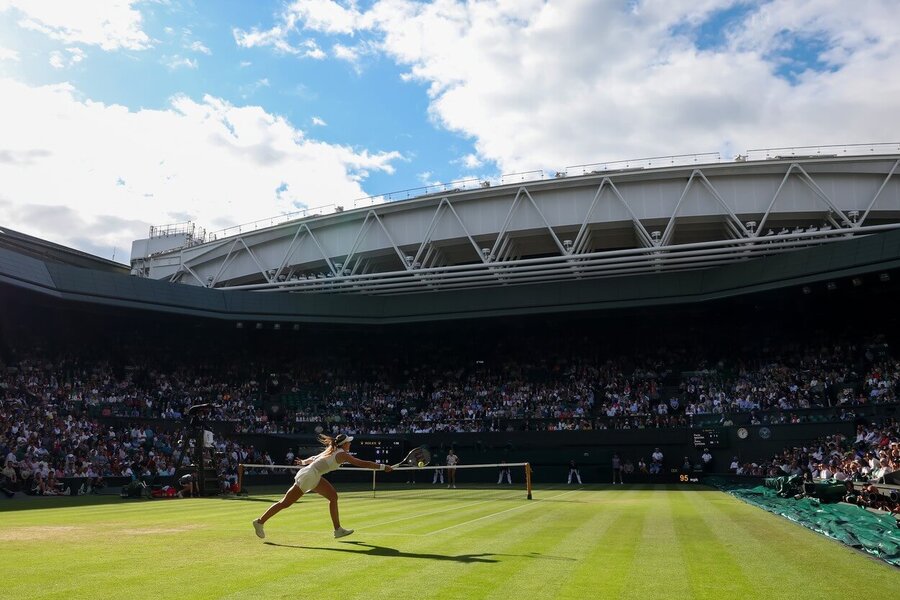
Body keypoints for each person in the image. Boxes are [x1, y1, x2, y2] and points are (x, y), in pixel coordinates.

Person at [251, 433, 392, 540]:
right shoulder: (342, 454)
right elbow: (362, 463)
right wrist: (382, 466)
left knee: (333, 497)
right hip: (310, 475)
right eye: (348, 442)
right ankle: (259, 521)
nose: (350, 444)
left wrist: (303, 462)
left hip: (312, 474)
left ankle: (338, 529)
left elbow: (314, 458)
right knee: (285, 503)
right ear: (343, 445)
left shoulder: (331, 450)